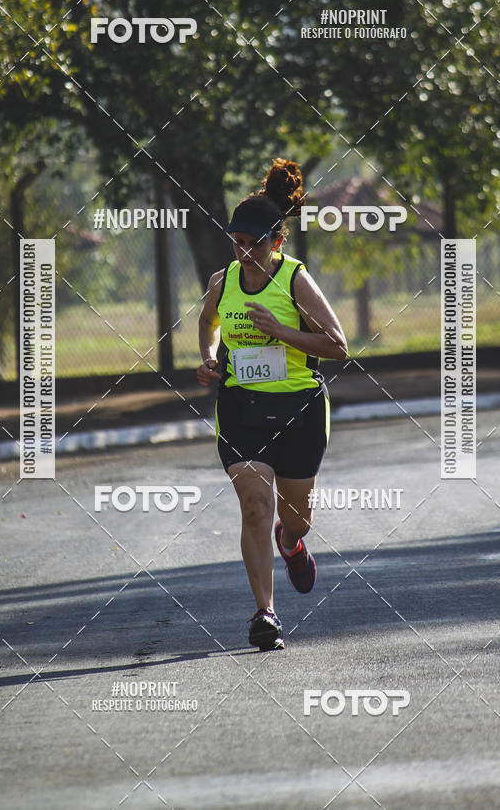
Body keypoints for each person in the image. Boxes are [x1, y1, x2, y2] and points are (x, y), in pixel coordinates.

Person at [197, 158, 347, 651]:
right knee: (255, 506)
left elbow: (337, 345)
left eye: (252, 243)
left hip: (300, 409)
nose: (243, 251)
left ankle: (291, 541)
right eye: (235, 241)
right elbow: (208, 323)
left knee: (293, 515)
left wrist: (280, 331)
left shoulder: (296, 281)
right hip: (242, 409)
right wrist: (209, 359)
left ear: (276, 241)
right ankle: (266, 613)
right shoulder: (224, 282)